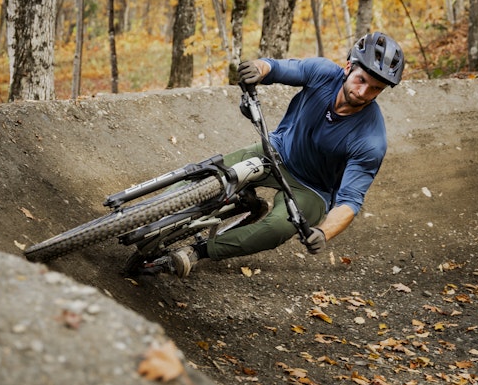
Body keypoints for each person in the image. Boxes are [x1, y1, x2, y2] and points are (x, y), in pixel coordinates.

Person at [169, 31, 405, 277]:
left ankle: (199, 251)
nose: (363, 92)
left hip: (311, 190)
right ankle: (150, 210)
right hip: (276, 151)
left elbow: (350, 201)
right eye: (361, 80)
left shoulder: (371, 140)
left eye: (375, 89)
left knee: (278, 228)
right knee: (212, 174)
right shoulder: (323, 73)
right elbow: (277, 68)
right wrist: (258, 69)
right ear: (348, 67)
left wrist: (324, 232)